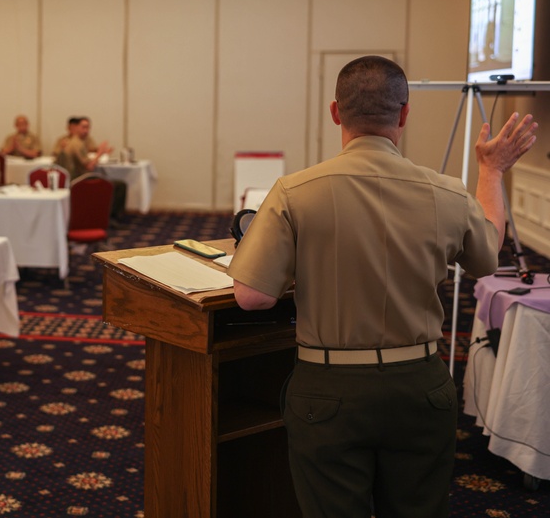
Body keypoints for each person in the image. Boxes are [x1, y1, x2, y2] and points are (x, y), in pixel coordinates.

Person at [227, 56, 538, 518]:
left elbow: (253, 296)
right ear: (405, 114)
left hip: (327, 392)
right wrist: (491, 171)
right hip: (420, 387)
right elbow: (487, 259)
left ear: (335, 112)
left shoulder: (293, 191)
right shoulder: (447, 192)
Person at [57, 116, 126, 223]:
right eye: (83, 127)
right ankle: (111, 218)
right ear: (76, 128)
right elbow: (89, 166)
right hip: (80, 180)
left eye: (88, 128)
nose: (86, 131)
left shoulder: (78, 142)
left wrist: (100, 152)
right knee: (119, 185)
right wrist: (100, 153)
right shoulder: (76, 144)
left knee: (112, 182)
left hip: (79, 178)